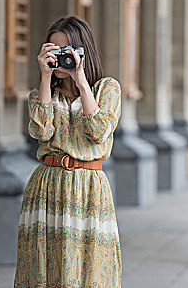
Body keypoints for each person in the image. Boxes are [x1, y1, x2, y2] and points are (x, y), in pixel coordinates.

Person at [13, 16, 122, 287]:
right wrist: (45, 77)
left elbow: (99, 131)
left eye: (66, 52)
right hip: (47, 186)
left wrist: (81, 81)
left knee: (90, 270)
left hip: (89, 190)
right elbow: (40, 132)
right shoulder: (42, 95)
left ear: (82, 53)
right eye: (53, 50)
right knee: (43, 269)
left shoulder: (106, 88)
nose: (60, 58)